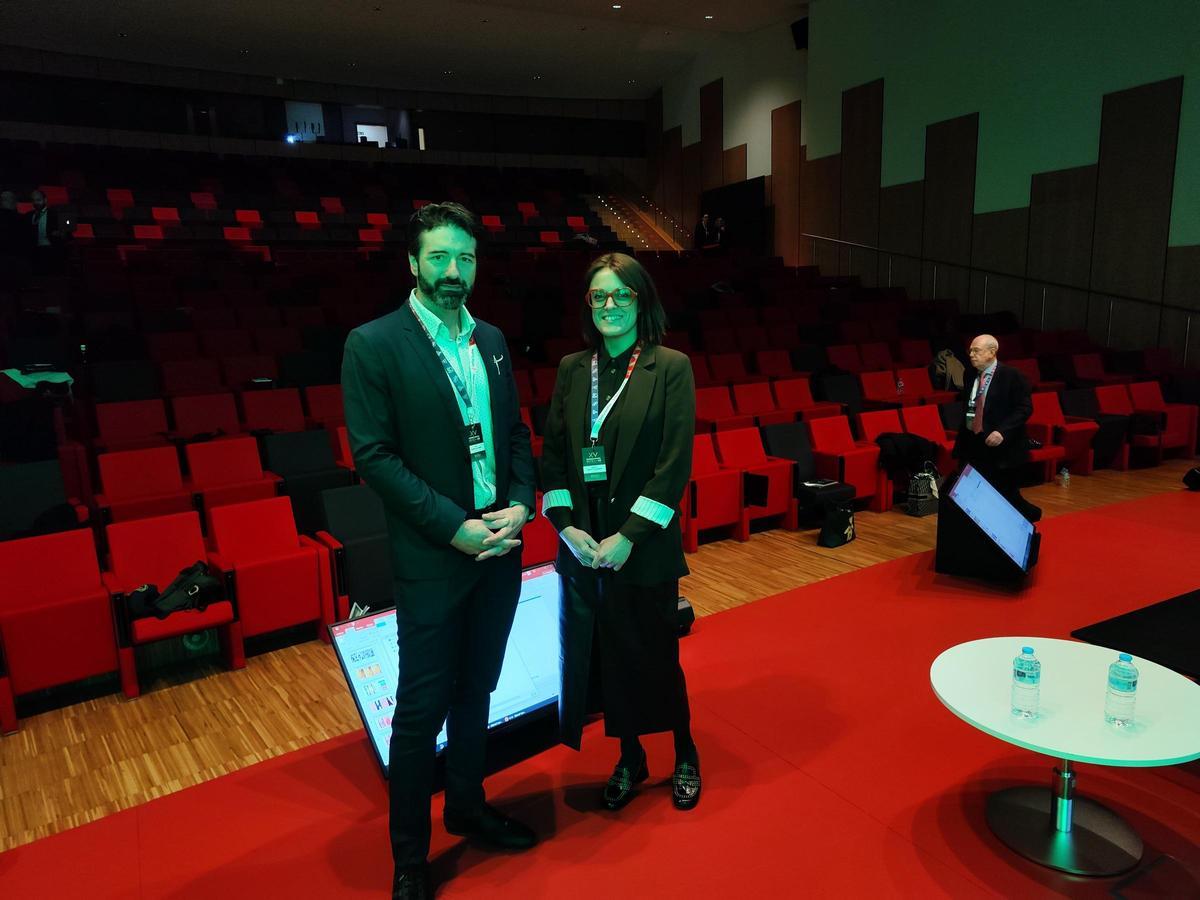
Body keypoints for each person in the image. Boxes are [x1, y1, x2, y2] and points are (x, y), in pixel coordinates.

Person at [340, 202, 538, 900]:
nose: (454, 272)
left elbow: (513, 433)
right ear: (413, 263)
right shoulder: (373, 343)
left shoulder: (490, 339)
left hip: (502, 540)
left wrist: (522, 501)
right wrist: (454, 526)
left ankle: (468, 806)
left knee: (478, 686)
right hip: (436, 548)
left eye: (466, 259)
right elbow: (376, 458)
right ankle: (410, 860)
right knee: (422, 709)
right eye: (440, 258)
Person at [540, 252, 701, 814]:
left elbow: (673, 465)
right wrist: (566, 529)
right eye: (599, 296)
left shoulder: (670, 366)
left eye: (621, 295)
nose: (610, 306)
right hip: (584, 549)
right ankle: (630, 756)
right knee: (605, 660)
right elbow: (555, 458)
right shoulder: (570, 369)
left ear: (641, 300)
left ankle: (684, 751)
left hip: (642, 545)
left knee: (655, 654)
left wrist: (628, 536)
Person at [952, 333, 1040, 521]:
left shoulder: (1012, 376)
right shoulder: (969, 374)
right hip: (972, 441)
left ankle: (1028, 517)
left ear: (992, 352)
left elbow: (1025, 408)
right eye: (970, 351)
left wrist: (1002, 431)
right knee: (968, 490)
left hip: (1000, 445)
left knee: (1004, 493)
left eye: (976, 351)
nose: (971, 355)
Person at [26, 189, 66, 273]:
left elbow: (66, 233)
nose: (36, 203)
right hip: (34, 252)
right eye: (33, 200)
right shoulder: (28, 215)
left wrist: (61, 233)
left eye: (38, 200)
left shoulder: (55, 214)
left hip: (51, 251)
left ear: (45, 200)